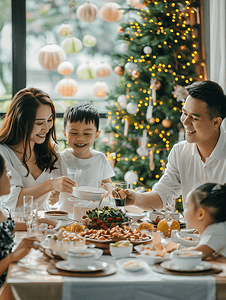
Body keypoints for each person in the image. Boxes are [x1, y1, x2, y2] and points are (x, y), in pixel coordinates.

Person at [122, 80, 226, 211]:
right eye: (184, 113)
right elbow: (161, 196)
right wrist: (136, 198)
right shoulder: (179, 152)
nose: (185, 122)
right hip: (189, 231)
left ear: (216, 122)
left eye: (194, 118)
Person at [0, 87, 76, 210]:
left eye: (50, 120)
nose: (46, 128)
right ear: (21, 121)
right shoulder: (3, 153)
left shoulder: (50, 150)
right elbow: (11, 199)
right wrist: (51, 185)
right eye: (39, 123)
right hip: (15, 225)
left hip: (44, 223)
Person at [53, 102, 115, 212]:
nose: (80, 138)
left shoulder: (100, 158)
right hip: (67, 214)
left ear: (96, 135)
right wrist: (55, 193)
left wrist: (108, 189)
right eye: (74, 133)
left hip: (93, 216)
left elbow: (107, 182)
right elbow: (55, 184)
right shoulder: (61, 158)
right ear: (65, 134)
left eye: (87, 134)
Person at [0, 153, 39, 288]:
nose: (9, 176)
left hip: (10, 280)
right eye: (6, 172)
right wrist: (13, 257)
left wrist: (40, 223)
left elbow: (9, 226)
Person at [183, 182, 226, 259]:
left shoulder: (216, 232)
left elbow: (196, 253)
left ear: (200, 214)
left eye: (186, 207)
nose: (183, 212)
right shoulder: (213, 229)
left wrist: (172, 253)